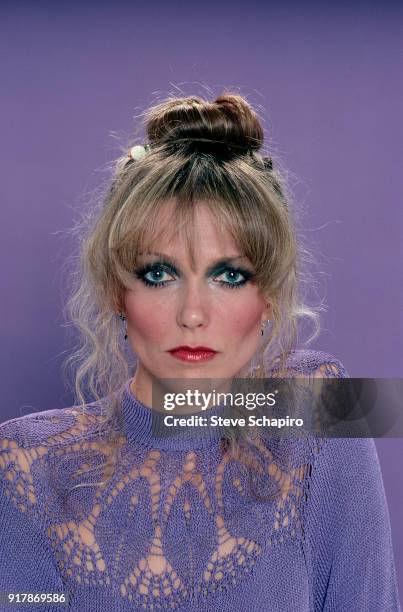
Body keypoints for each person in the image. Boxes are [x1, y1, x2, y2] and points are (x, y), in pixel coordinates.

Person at [0, 93, 400, 611]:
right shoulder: (27, 464)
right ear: (116, 292)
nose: (193, 314)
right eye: (159, 274)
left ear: (270, 296)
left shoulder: (319, 414)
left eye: (229, 275)